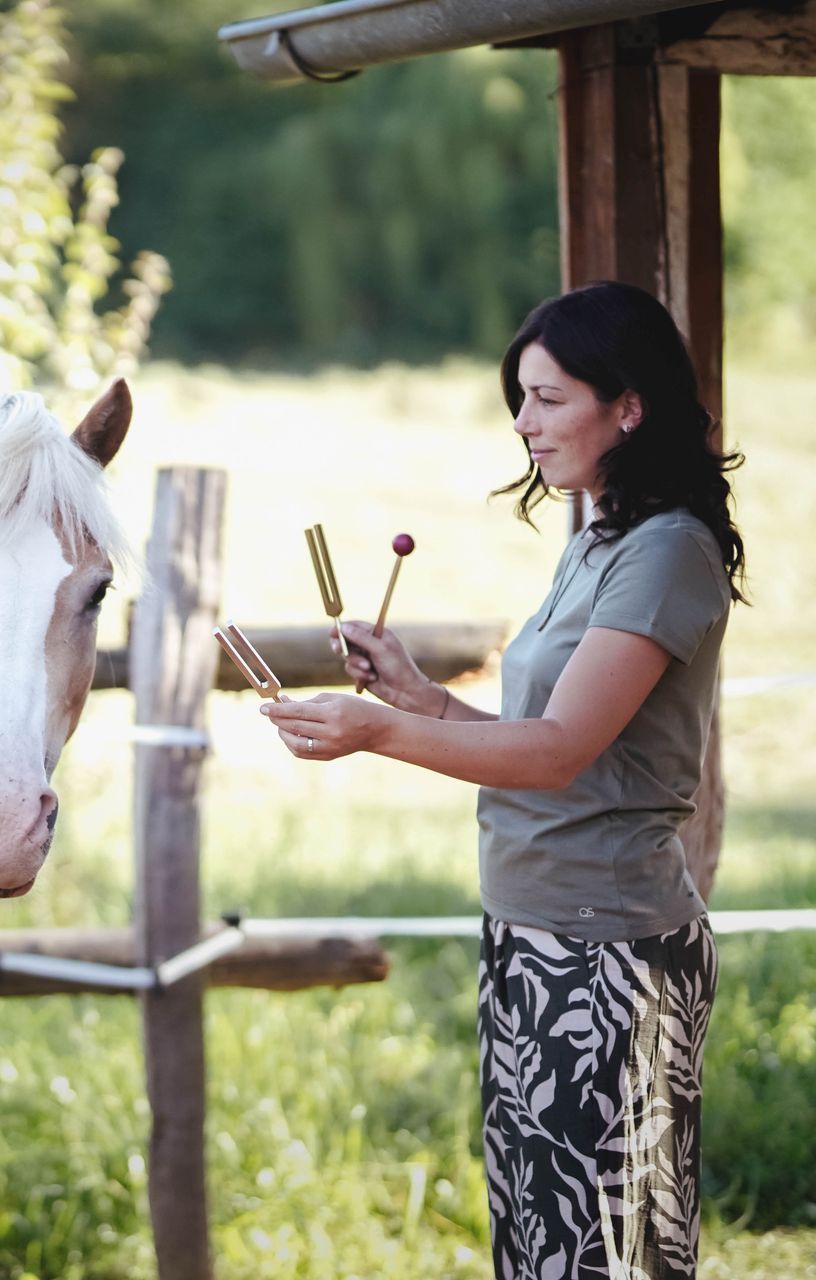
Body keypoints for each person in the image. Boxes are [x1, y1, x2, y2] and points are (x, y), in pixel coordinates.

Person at [260, 280, 744, 1279]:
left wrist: (376, 728)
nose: (522, 424)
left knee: (613, 1255)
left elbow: (558, 750)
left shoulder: (666, 553)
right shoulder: (598, 537)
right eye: (519, 399)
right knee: (536, 1248)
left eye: (548, 398)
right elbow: (546, 742)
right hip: (529, 936)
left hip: (609, 957)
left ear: (630, 404)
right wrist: (420, 696)